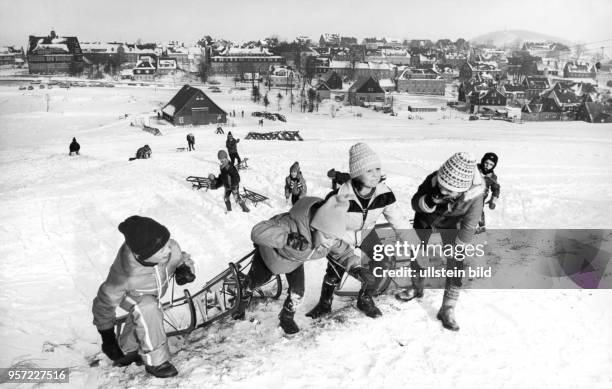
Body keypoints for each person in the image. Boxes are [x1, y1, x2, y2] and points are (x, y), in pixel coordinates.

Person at [238, 195, 375, 334]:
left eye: (334, 238)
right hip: (270, 258)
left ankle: (286, 317)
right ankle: (241, 301)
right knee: (254, 282)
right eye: (327, 237)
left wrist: (356, 268)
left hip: (294, 263)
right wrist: (287, 238)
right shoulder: (292, 224)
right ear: (315, 228)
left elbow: (344, 253)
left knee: (298, 292)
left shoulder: (328, 238)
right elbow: (258, 232)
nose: (329, 243)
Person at [307, 143, 411, 319]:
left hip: (366, 233)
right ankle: (324, 304)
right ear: (356, 173)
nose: (376, 174)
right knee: (335, 271)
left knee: (384, 262)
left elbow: (398, 220)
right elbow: (325, 228)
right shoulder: (339, 197)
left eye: (377, 169)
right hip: (342, 236)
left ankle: (365, 298)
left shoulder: (384, 194)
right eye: (369, 171)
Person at [92, 216, 196, 378]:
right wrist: (107, 337)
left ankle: (128, 349)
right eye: (162, 250)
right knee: (147, 307)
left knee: (147, 313)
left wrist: (184, 268)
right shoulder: (125, 275)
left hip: (153, 291)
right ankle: (157, 362)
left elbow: (180, 256)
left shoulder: (170, 248)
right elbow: (104, 302)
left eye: (167, 244)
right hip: (131, 294)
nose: (168, 250)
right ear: (144, 256)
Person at [396, 152, 484, 331]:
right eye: (441, 186)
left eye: (448, 190)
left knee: (457, 263)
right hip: (426, 219)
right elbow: (415, 202)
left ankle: (448, 307)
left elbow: (470, 224)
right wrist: (429, 200)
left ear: (463, 189)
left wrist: (458, 248)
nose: (442, 191)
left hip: (453, 224)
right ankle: (417, 287)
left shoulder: (475, 196)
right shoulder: (433, 180)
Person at [476, 152, 501, 233]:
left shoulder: (492, 177)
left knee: (478, 211)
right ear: (483, 161)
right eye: (486, 163)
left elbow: (496, 188)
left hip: (480, 197)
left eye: (491, 164)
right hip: (467, 194)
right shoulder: (474, 169)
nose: (487, 166)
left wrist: (493, 200)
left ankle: (481, 227)